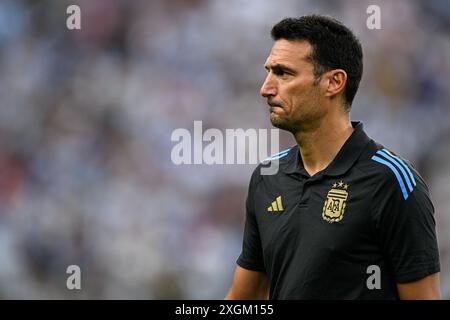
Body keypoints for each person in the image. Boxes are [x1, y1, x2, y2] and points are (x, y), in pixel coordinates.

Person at [225, 15, 441, 300]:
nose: (265, 88)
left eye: (284, 73)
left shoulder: (391, 182)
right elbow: (245, 298)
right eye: (269, 72)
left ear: (334, 82)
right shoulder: (267, 177)